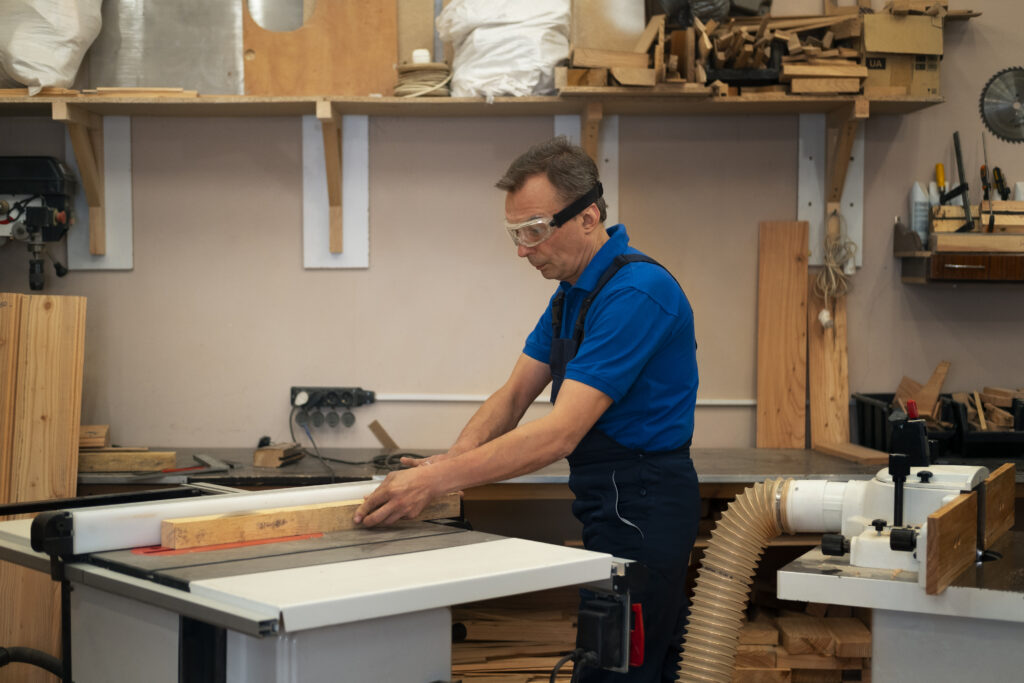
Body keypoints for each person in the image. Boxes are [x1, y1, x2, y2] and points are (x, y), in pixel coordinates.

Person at [354, 136, 699, 682]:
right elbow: (514, 395)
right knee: (615, 661)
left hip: (645, 504)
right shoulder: (573, 294)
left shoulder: (636, 293)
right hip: (609, 500)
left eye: (534, 231)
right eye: (515, 234)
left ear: (587, 217)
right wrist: (446, 466)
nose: (523, 249)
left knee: (622, 669)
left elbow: (558, 433)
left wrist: (438, 481)